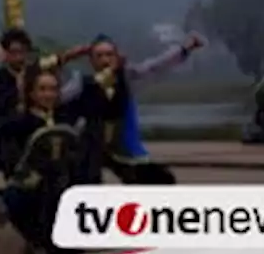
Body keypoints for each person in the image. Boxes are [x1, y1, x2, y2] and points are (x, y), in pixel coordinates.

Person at [0, 28, 89, 239]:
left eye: (22, 52)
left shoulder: (35, 71)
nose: (18, 56)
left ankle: (36, 234)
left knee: (29, 183)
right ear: (5, 53)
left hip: (25, 135)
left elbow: (60, 59)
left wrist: (80, 52)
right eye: (13, 52)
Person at [0, 70, 86, 254]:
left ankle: (36, 250)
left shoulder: (66, 119)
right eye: (43, 89)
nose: (48, 94)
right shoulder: (22, 120)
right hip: (29, 192)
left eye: (53, 89)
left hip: (59, 194)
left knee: (60, 252)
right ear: (32, 94)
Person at [71, 33, 206, 185]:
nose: (105, 60)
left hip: (123, 147)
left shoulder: (128, 76)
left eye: (109, 55)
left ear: (116, 56)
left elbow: (156, 66)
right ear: (91, 60)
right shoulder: (81, 84)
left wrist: (185, 48)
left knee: (160, 179)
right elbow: (56, 100)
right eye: (99, 56)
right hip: (90, 147)